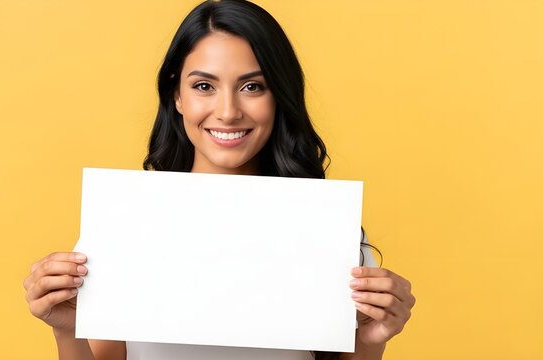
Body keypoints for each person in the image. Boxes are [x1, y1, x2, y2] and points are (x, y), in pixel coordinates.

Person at [22, 1, 416, 359]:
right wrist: (68, 332)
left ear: (279, 96)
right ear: (177, 95)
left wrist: (369, 341)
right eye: (204, 86)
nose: (227, 112)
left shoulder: (331, 238)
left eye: (252, 87)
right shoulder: (123, 228)